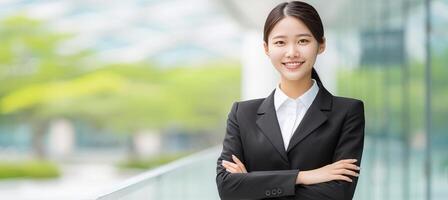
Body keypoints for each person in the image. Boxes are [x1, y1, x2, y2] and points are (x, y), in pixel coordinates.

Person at [215, 1, 365, 199]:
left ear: (321, 45)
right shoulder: (242, 114)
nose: (292, 52)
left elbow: (338, 194)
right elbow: (228, 188)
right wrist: (304, 177)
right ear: (266, 48)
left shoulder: (347, 112)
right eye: (280, 42)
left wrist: (252, 184)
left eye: (303, 41)